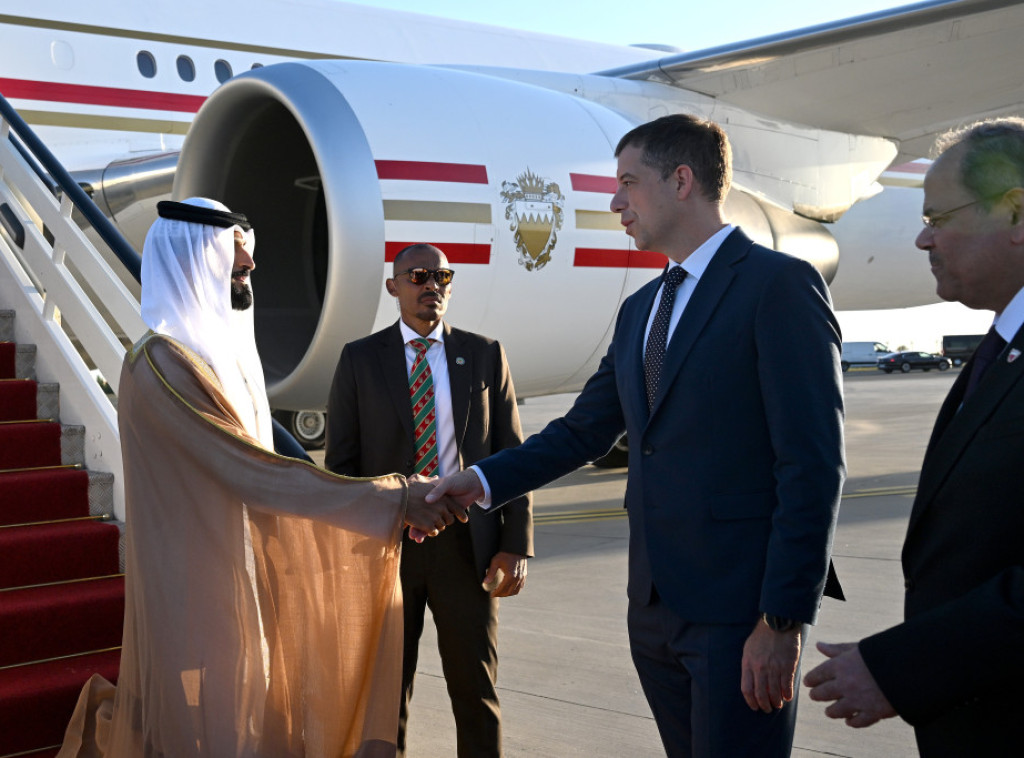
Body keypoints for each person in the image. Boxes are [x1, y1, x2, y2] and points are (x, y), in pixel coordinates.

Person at [428, 114, 845, 757]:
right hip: (653, 608)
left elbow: (812, 465)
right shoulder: (640, 309)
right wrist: (481, 481)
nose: (615, 202)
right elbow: (583, 432)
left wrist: (782, 620)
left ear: (682, 181)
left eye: (627, 183)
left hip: (739, 614)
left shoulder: (778, 286)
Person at [58, 198, 465, 757]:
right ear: (196, 264)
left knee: (250, 711)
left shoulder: (213, 357)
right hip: (196, 582)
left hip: (239, 570)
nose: (250, 274)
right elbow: (253, 471)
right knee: (211, 726)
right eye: (237, 264)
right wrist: (391, 498)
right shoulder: (159, 365)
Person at [804, 118, 1024, 757]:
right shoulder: (1000, 349)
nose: (924, 238)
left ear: (1015, 212)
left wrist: (906, 666)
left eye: (939, 216)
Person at [325, 243, 533, 758]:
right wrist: (390, 508)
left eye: (442, 276)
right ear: (393, 286)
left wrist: (515, 545)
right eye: (418, 276)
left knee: (475, 689)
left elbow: (514, 456)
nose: (431, 286)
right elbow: (341, 468)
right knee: (388, 692)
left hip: (469, 549)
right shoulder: (359, 359)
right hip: (388, 551)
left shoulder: (484, 353)